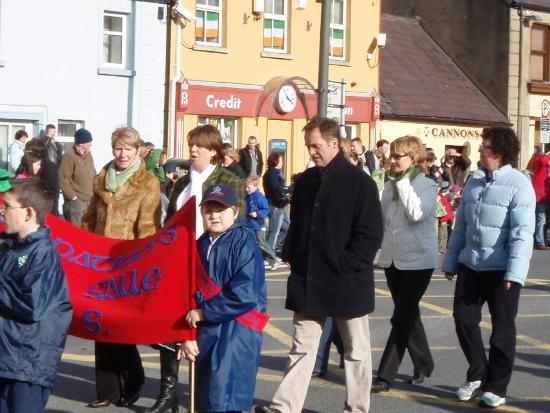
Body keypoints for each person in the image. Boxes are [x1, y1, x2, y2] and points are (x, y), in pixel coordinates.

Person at [255, 116, 383, 413]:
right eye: (308, 146)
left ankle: (357, 408)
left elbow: (370, 234)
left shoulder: (359, 182)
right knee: (301, 346)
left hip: (346, 279)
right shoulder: (307, 181)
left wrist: (345, 265)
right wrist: (292, 253)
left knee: (356, 351)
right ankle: (284, 407)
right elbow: (299, 226)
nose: (311, 151)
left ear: (334, 144)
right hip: (309, 277)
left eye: (316, 146)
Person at [150, 124, 244, 413]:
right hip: (179, 260)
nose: (193, 150)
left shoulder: (228, 179)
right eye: (191, 144)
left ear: (213, 151)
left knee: (202, 327)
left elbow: (237, 223)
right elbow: (169, 222)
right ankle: (168, 392)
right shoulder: (180, 183)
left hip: (211, 261)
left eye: (199, 145)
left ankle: (204, 394)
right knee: (173, 323)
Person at [442, 127, 535, 408]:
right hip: (471, 264)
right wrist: (450, 261)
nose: (480, 150)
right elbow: (462, 227)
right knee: (464, 320)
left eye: (485, 147)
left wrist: (515, 274)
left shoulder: (519, 184)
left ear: (500, 153)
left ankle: (496, 386)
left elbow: (522, 232)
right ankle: (477, 372)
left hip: (502, 269)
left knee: (502, 330)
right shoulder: (474, 181)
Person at [81, 126, 161, 409]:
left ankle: (134, 378)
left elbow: (149, 230)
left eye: (128, 148)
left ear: (137, 149)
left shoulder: (148, 183)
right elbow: (89, 219)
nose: (123, 154)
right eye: (118, 148)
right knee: (100, 326)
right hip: (100, 264)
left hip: (128, 266)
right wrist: (85, 251)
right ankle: (107, 390)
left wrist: (141, 264)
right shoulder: (101, 178)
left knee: (121, 328)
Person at [179, 184, 268, 413]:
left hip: (236, 332)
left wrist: (204, 312)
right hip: (208, 331)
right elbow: (188, 289)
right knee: (206, 397)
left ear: (235, 212)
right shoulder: (201, 244)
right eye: (209, 211)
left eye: (221, 210)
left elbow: (245, 293)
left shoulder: (244, 243)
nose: (214, 216)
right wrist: (186, 335)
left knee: (224, 399)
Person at [371, 135, 438, 393]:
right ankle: (424, 363)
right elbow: (383, 220)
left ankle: (385, 376)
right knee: (409, 314)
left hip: (419, 260)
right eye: (393, 155)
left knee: (401, 317)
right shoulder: (389, 186)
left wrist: (403, 184)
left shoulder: (427, 185)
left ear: (414, 158)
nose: (393, 160)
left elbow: (417, 214)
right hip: (393, 259)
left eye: (399, 156)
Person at [0, 178, 73, 412]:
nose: (2, 212)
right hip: (5, 358)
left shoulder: (44, 253)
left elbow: (32, 305)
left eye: (7, 206)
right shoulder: (10, 248)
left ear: (29, 213)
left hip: (26, 365)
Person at [58, 128, 96, 226]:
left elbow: (93, 171)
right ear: (79, 144)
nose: (89, 147)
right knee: (76, 231)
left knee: (88, 229)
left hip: (89, 199)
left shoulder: (88, 154)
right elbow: (62, 177)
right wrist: (72, 196)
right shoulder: (69, 156)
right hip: (76, 202)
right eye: (87, 145)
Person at [245, 175, 282, 271]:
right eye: (246, 187)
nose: (246, 189)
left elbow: (266, 209)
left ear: (255, 186)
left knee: (261, 243)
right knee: (250, 243)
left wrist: (257, 213)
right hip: (250, 224)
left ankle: (273, 260)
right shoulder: (248, 197)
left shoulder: (259, 197)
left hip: (258, 223)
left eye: (249, 187)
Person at [262, 152, 291, 252]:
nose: (282, 163)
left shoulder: (276, 173)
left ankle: (269, 249)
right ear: (276, 161)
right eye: (281, 161)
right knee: (274, 231)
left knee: (286, 228)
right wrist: (289, 189)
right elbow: (277, 189)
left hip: (280, 206)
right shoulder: (271, 174)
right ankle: (268, 252)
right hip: (275, 206)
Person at [24, 138, 60, 216]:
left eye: (29, 152)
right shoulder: (27, 164)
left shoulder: (49, 167)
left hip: (46, 211)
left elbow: (54, 193)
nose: (26, 155)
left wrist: (49, 213)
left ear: (37, 153)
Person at [526, 150, 550, 250]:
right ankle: (540, 242)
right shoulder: (540, 159)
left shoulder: (537, 160)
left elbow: (528, 169)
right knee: (542, 220)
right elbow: (544, 162)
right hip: (541, 196)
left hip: (542, 195)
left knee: (544, 221)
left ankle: (542, 240)